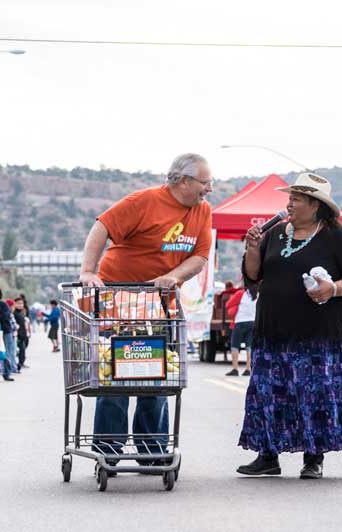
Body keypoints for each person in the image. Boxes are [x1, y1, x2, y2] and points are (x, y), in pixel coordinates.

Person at [237, 172, 342, 480]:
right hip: (273, 331)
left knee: (314, 398)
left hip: (318, 335)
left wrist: (332, 289)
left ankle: (313, 458)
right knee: (271, 395)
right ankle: (267, 456)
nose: (289, 204)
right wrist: (253, 248)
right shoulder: (275, 233)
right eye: (290, 198)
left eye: (296, 199)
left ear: (315, 206)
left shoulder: (334, 235)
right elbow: (254, 275)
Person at [79, 153, 213, 469]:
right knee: (116, 379)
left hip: (159, 304)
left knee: (156, 376)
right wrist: (88, 270)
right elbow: (102, 227)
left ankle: (152, 450)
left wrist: (174, 276)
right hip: (119, 299)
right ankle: (108, 450)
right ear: (183, 180)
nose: (209, 189)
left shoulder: (202, 211)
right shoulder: (144, 201)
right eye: (205, 182)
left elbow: (201, 256)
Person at [225, 284, 257, 377]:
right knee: (249, 347)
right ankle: (248, 369)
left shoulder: (240, 294)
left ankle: (235, 369)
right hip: (252, 322)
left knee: (234, 346)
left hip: (240, 323)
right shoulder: (257, 295)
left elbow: (228, 304)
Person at [13, 297, 29, 369]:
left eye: (21, 303)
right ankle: (18, 364)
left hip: (23, 335)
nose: (20, 305)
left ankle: (21, 363)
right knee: (18, 350)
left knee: (22, 350)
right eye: (18, 303)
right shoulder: (14, 313)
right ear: (15, 304)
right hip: (18, 335)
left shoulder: (21, 312)